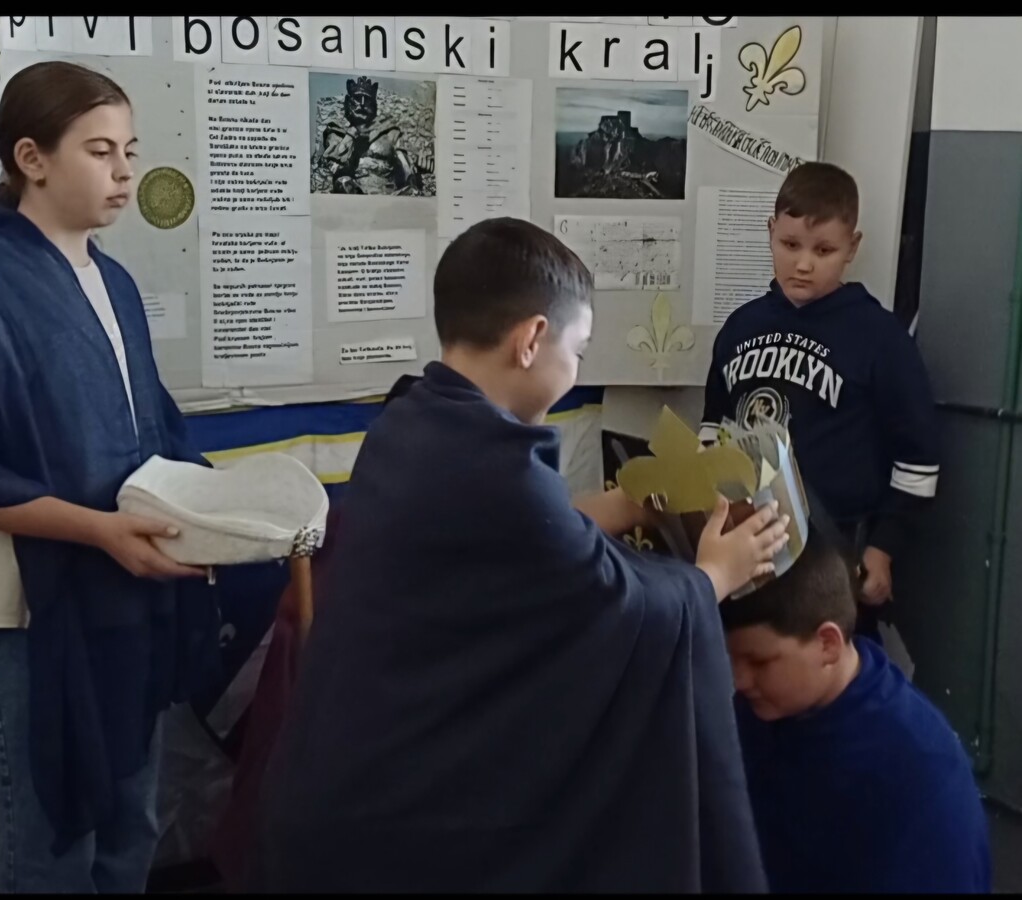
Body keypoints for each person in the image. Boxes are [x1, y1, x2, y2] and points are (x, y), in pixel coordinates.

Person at [253, 217, 789, 893]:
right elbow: (624, 610)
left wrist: (628, 503)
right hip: (395, 833)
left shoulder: (413, 419)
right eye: (579, 349)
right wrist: (713, 576)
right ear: (533, 339)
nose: (577, 368)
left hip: (335, 783)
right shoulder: (499, 472)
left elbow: (534, 534)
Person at [0, 61, 217, 892]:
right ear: (31, 158)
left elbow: (151, 427)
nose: (125, 172)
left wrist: (216, 509)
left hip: (124, 597)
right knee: (49, 849)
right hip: (30, 610)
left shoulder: (113, 282)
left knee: (131, 824)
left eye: (130, 150)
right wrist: (96, 530)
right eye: (99, 151)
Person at [700, 161, 940, 640]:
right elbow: (713, 429)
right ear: (770, 232)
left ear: (852, 247)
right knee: (747, 659)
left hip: (838, 548)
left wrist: (883, 548)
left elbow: (918, 460)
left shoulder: (879, 338)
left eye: (824, 250)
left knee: (829, 662)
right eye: (790, 245)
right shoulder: (740, 327)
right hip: (748, 541)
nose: (804, 263)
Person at [720, 530, 991, 894]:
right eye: (730, 658)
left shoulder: (922, 776)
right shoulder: (757, 711)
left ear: (828, 644)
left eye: (758, 662)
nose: (738, 680)